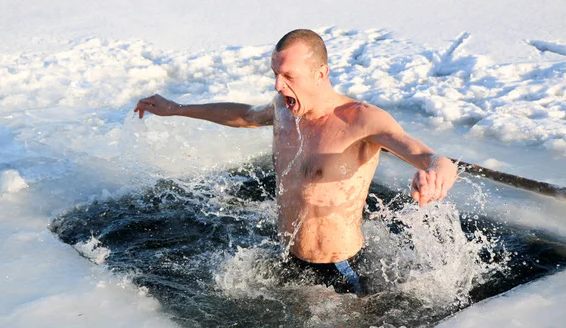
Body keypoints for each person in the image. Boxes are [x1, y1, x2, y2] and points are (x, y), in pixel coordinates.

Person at [134, 29, 458, 294]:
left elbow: (433, 158)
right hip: (287, 255)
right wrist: (177, 108)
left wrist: (435, 174)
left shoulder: (360, 120)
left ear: (321, 74)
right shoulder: (284, 108)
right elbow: (245, 115)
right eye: (276, 74)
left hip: (338, 268)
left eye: (289, 75)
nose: (278, 85)